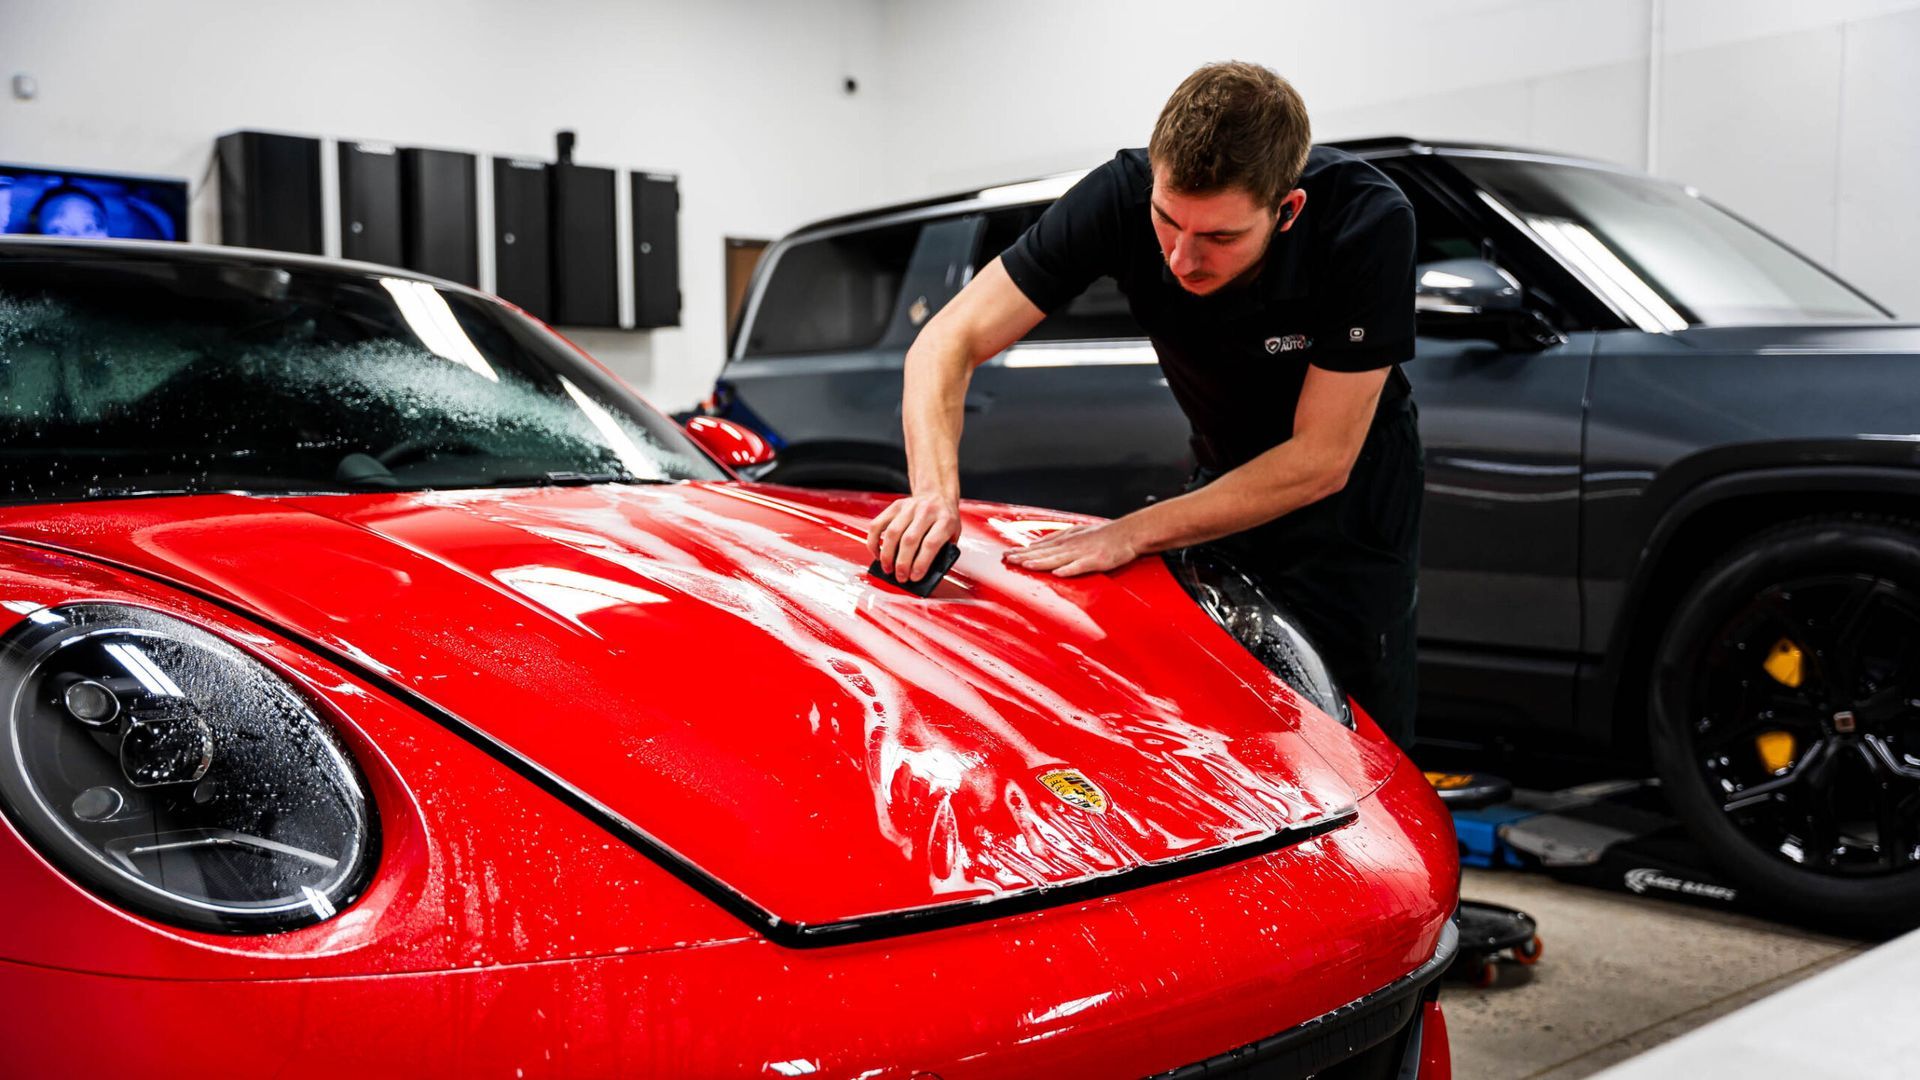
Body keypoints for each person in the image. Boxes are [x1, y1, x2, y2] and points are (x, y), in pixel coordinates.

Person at [864, 60, 1424, 744]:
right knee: (1217, 716)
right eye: (1167, 221)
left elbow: (1320, 460)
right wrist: (932, 494)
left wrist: (1127, 531)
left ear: (1287, 211)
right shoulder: (1118, 195)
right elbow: (946, 340)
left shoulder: (1366, 222)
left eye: (1220, 238)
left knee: (1351, 734)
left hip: (1350, 506)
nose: (1183, 259)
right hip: (1222, 471)